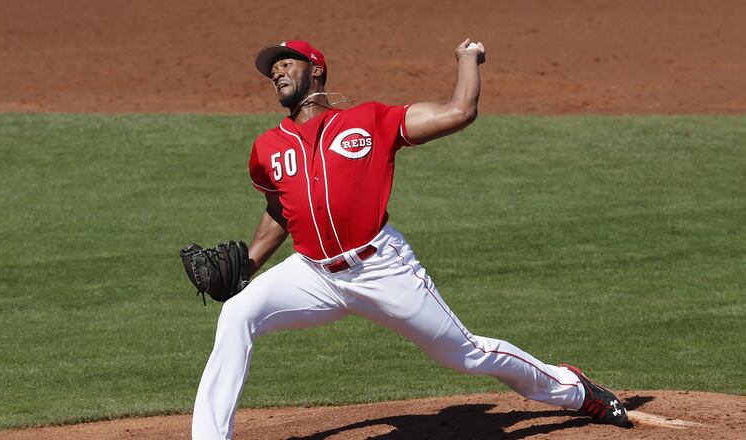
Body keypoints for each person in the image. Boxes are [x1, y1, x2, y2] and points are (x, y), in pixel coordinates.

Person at [191, 39, 631, 439]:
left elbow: (460, 111)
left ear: (317, 71)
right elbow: (280, 212)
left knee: (465, 354)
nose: (277, 73)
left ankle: (573, 389)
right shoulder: (268, 146)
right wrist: (246, 266)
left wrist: (467, 59)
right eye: (273, 70)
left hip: (380, 266)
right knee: (237, 315)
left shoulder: (369, 120)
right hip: (311, 273)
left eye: (287, 63)